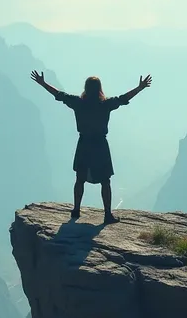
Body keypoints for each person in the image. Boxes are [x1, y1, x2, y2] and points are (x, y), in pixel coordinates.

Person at [30, 70, 153, 224]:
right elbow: (123, 99)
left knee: (80, 178)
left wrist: (43, 83)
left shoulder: (78, 103)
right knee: (105, 180)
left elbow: (59, 95)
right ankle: (107, 214)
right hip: (100, 145)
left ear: (86, 89)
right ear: (100, 89)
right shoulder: (105, 104)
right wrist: (140, 88)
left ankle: (76, 210)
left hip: (84, 144)